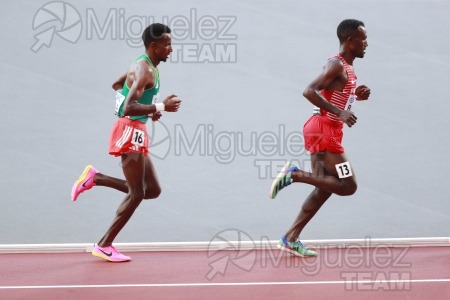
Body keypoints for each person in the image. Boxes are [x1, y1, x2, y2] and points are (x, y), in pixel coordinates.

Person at [71, 23, 181, 262]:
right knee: (137, 193)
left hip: (136, 129)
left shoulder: (145, 65)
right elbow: (129, 106)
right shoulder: (145, 70)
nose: (171, 49)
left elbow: (118, 85)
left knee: (151, 190)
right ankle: (104, 244)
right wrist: (160, 107)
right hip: (130, 132)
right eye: (167, 44)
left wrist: (147, 112)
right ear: (154, 46)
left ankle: (95, 178)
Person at [269, 19, 371, 257]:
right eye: (363, 39)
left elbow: (335, 93)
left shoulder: (346, 67)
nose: (367, 44)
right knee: (348, 186)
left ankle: (290, 238)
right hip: (325, 130)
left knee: (322, 187)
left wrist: (354, 96)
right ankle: (293, 175)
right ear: (350, 40)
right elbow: (309, 91)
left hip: (323, 129)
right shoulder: (337, 64)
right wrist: (340, 112)